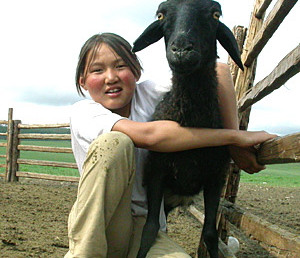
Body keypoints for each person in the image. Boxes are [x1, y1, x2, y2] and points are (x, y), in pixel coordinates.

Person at [65, 33, 276, 258]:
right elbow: (150, 136)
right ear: (82, 81)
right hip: (104, 225)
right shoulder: (84, 112)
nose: (111, 77)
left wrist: (234, 147)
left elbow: (219, 71)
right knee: (115, 142)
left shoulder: (146, 93)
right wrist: (234, 138)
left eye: (120, 66)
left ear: (136, 71)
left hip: (146, 227)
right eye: (97, 70)